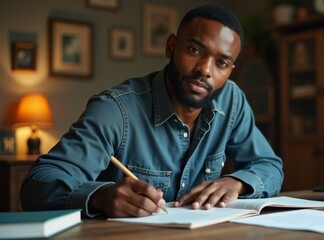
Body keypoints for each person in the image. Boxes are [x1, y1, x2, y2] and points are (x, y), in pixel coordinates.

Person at [20, 4, 283, 218]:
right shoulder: (116, 109)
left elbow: (269, 166)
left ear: (230, 71)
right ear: (171, 47)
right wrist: (100, 197)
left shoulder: (232, 101)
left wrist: (235, 183)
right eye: (194, 50)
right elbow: (37, 185)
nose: (205, 69)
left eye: (221, 62)